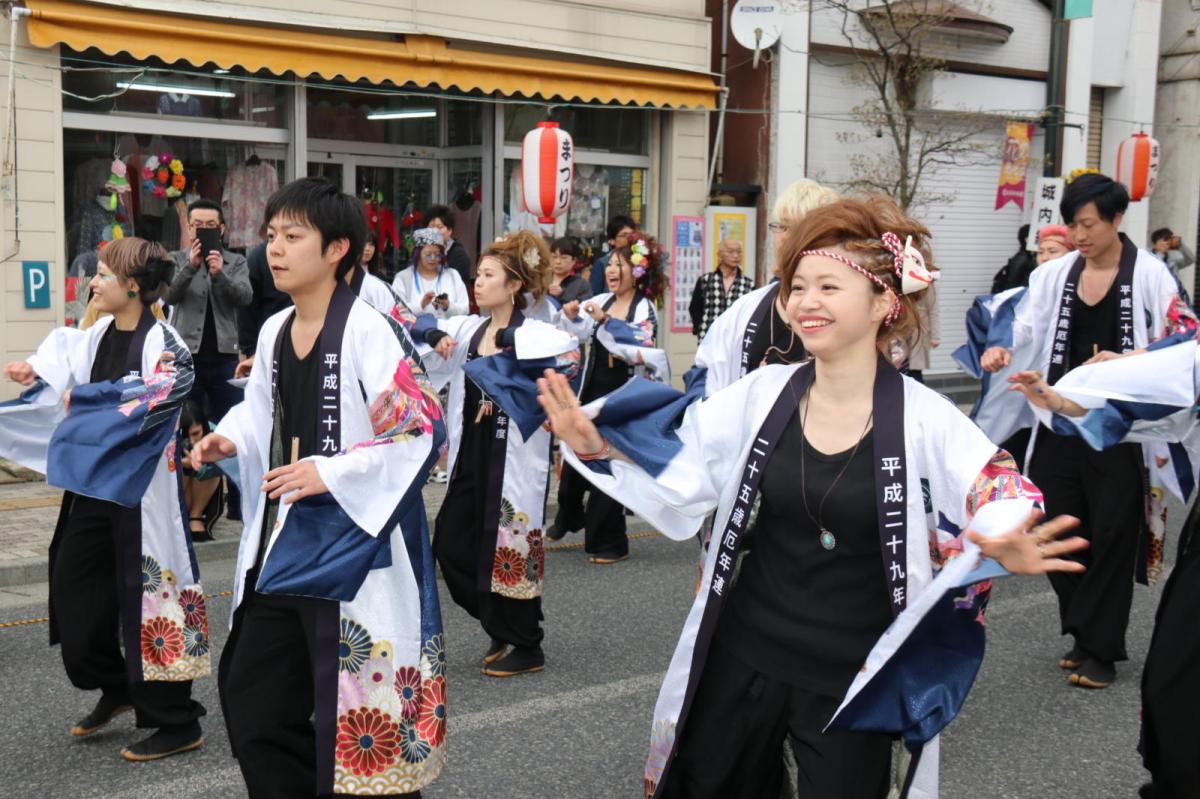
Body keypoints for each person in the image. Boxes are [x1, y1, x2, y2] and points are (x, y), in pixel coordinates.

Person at [537, 195, 1087, 799]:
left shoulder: (925, 416)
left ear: (884, 302)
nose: (805, 302)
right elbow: (688, 452)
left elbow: (998, 484)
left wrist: (1000, 531)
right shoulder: (764, 392)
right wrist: (602, 444)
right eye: (797, 286)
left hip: (851, 670)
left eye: (828, 286)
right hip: (746, 646)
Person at [190, 178, 447, 798]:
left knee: (361, 709)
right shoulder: (277, 328)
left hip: (356, 551)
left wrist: (328, 471)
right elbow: (261, 410)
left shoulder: (369, 329)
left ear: (338, 249)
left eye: (293, 236)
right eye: (271, 235)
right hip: (287, 542)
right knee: (255, 697)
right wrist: (230, 439)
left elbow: (419, 430)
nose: (275, 249)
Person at [979, 173, 1197, 689]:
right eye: (1074, 224)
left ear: (1117, 220)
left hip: (1117, 428)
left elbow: (1184, 331)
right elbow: (1025, 322)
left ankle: (1101, 650)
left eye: (1088, 224)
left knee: (1113, 533)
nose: (1078, 235)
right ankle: (1084, 630)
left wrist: (1134, 356)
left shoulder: (1149, 274)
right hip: (1058, 417)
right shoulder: (1056, 275)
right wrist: (1003, 348)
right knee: (1053, 526)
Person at [1, 237, 208, 762]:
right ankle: (115, 683)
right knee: (74, 590)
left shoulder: (166, 344)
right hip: (93, 488)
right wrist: (36, 371)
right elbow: (60, 358)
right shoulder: (94, 336)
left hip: (142, 495)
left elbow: (158, 393)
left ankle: (176, 720)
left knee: (152, 600)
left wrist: (88, 396)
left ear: (133, 286)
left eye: (102, 275)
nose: (93, 283)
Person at [1006, 336, 1200, 799]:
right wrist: (1063, 400)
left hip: (1119, 473)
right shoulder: (1189, 352)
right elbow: (1147, 395)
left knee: (1113, 540)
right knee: (1175, 684)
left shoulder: (1150, 277)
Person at [414, 230, 579, 677]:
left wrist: (510, 338)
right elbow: (415, 329)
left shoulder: (538, 332)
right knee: (450, 542)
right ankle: (498, 622)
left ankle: (526, 642)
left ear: (514, 285)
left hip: (514, 456)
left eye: (488, 275)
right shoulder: (470, 328)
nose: (478, 282)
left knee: (509, 540)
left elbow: (568, 355)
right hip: (473, 449)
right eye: (478, 275)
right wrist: (434, 333)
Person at [549, 232, 669, 561]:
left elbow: (641, 344)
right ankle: (570, 514)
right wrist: (572, 315)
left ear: (638, 272)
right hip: (592, 389)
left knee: (609, 466)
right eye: (611, 264)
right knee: (574, 457)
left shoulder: (644, 307)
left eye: (621, 265)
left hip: (623, 397)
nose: (612, 270)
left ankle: (610, 543)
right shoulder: (601, 300)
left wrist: (606, 322)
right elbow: (576, 333)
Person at [691, 178, 839, 398]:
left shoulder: (845, 311)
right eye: (780, 226)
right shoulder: (747, 308)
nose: (783, 237)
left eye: (795, 227)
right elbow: (705, 375)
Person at [167, 199, 251, 520]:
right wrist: (191, 265)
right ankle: (188, 508)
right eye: (197, 226)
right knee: (188, 428)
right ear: (189, 228)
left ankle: (237, 504)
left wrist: (218, 274)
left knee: (230, 428)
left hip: (226, 358)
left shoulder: (235, 262)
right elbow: (170, 296)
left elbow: (244, 297)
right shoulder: (176, 259)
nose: (203, 231)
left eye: (210, 227)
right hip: (187, 359)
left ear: (223, 229)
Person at [392, 227, 470, 319]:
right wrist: (421, 305)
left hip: (451, 331)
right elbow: (395, 310)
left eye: (437, 255)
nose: (433, 258)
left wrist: (448, 306)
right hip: (416, 332)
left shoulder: (452, 275)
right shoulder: (403, 278)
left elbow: (465, 309)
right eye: (428, 255)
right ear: (418, 254)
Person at [688, 238, 754, 341]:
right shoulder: (706, 280)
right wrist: (700, 328)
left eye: (739, 252)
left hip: (736, 340)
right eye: (731, 251)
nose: (736, 255)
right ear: (720, 255)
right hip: (709, 338)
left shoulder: (748, 284)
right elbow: (695, 308)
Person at [179, 400, 224, 542]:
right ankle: (180, 515)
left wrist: (194, 466)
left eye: (196, 433)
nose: (192, 441)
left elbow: (223, 465)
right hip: (177, 491)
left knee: (212, 464)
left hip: (203, 491)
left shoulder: (214, 432)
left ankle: (195, 516)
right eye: (185, 436)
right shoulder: (166, 435)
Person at [424, 204, 473, 286]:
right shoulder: (421, 252)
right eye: (431, 227)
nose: (435, 231)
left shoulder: (458, 255)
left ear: (449, 230)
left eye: (439, 227)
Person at [589, 214, 636, 296]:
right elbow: (593, 295)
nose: (630, 238)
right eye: (624, 235)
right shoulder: (602, 264)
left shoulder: (642, 260)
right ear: (612, 240)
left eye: (632, 234)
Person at [1150, 227, 1194, 304]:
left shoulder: (1172, 260)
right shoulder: (1149, 260)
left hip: (1175, 300)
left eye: (1169, 240)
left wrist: (1180, 244)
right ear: (1155, 244)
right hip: (1157, 300)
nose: (1167, 243)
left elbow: (1191, 259)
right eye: (1164, 240)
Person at [990, 223, 1036, 293]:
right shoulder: (1022, 259)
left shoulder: (1030, 256)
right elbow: (1010, 286)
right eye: (1036, 236)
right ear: (1027, 239)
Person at [547, 237, 592, 307]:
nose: (558, 262)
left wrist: (562, 295)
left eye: (563, 257)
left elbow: (584, 310)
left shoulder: (581, 285)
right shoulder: (541, 280)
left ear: (573, 261)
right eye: (554, 257)